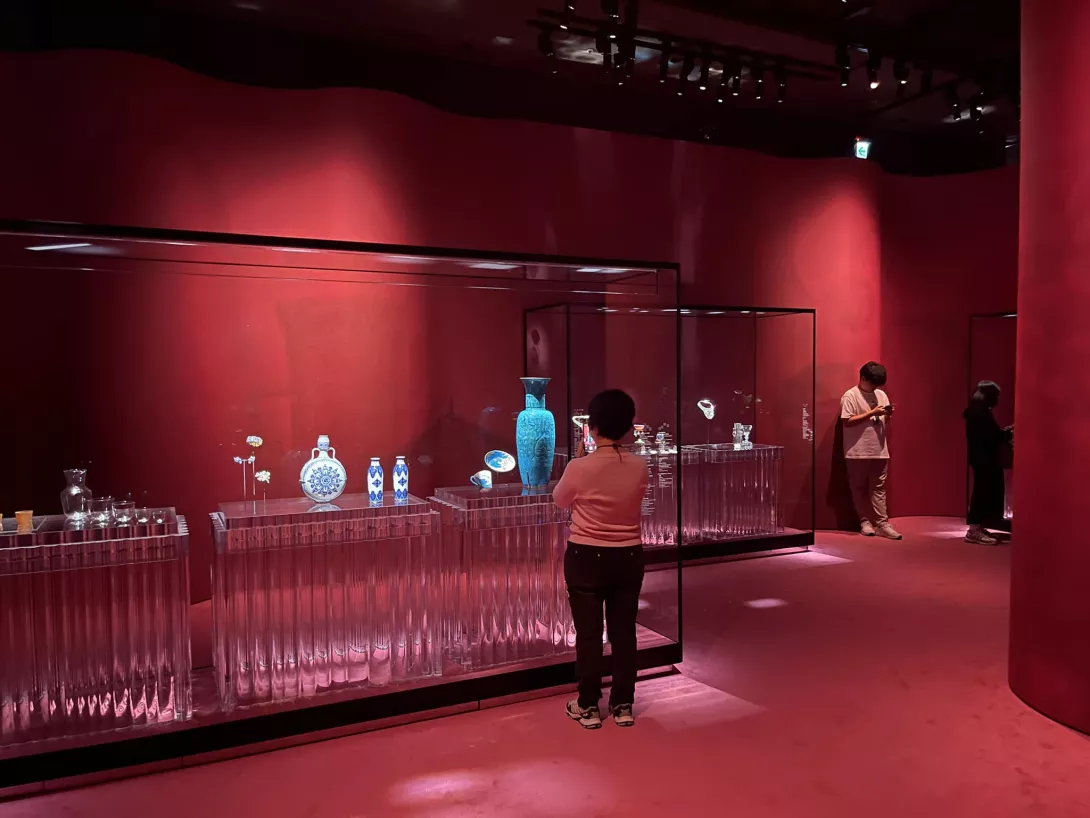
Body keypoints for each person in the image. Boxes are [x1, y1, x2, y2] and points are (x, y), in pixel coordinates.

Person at [552, 389, 648, 730]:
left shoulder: (579, 467)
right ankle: (623, 704)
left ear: (592, 427)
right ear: (628, 427)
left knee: (589, 634)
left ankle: (588, 705)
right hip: (629, 555)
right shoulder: (640, 466)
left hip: (586, 556)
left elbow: (559, 500)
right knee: (624, 632)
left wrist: (580, 462)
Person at [841, 361, 903, 540]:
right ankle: (864, 521)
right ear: (863, 378)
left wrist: (887, 414)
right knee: (858, 487)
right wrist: (871, 413)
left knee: (879, 488)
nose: (876, 388)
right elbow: (846, 420)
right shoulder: (850, 395)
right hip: (856, 451)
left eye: (878, 385)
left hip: (880, 449)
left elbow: (884, 420)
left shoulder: (881, 394)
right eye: (873, 383)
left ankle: (883, 524)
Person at [964, 380, 1013, 545]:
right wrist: (1008, 434)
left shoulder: (975, 412)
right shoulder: (982, 414)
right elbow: (992, 436)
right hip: (985, 459)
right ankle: (974, 529)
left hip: (980, 458)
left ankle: (977, 527)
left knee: (982, 491)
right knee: (982, 492)